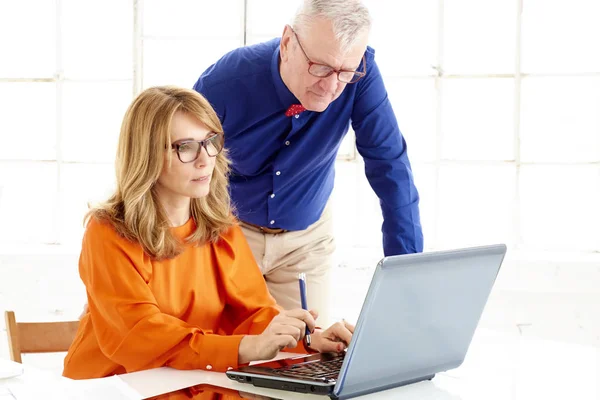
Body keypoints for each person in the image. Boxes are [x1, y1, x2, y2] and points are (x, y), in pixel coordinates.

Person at [63, 86, 353, 380]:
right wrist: (247, 348)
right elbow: (139, 334)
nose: (205, 160)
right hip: (118, 383)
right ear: (146, 154)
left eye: (210, 141)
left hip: (190, 376)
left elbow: (254, 312)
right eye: (185, 147)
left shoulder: (220, 226)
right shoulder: (107, 232)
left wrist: (307, 337)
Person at [193, 0, 423, 326]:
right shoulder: (224, 83)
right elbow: (179, 168)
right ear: (287, 43)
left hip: (306, 242)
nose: (331, 87)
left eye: (345, 72)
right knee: (221, 350)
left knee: (303, 357)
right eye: (321, 67)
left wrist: (407, 272)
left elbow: (390, 165)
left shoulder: (363, 75)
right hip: (228, 233)